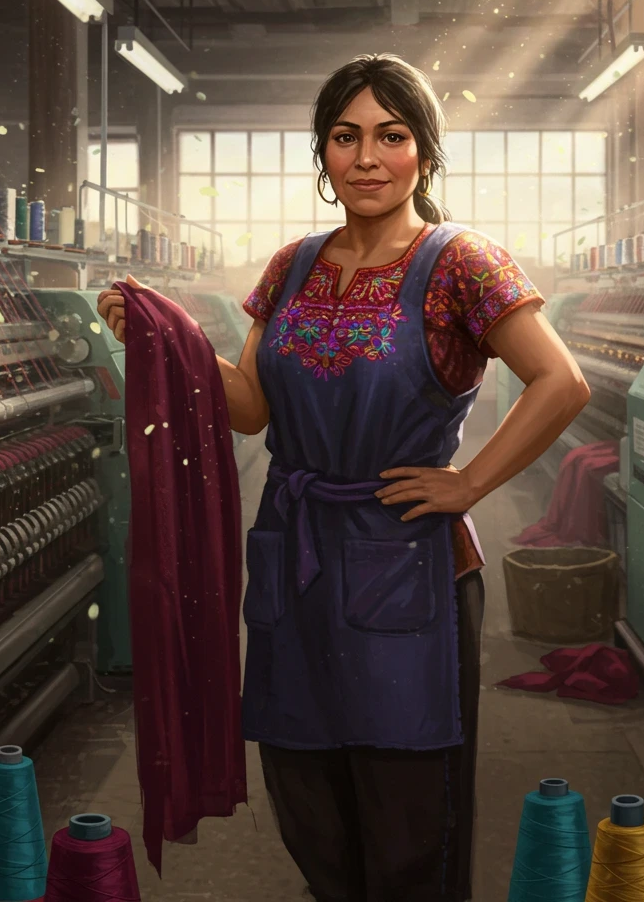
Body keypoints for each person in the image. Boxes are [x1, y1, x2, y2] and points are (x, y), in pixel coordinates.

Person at [97, 53, 590, 902]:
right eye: (345, 136)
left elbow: (563, 382)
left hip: (410, 563)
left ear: (424, 154)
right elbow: (250, 407)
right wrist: (166, 337)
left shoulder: (462, 263)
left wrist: (468, 482)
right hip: (298, 552)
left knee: (407, 810)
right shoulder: (291, 265)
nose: (367, 158)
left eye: (391, 137)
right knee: (306, 790)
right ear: (322, 156)